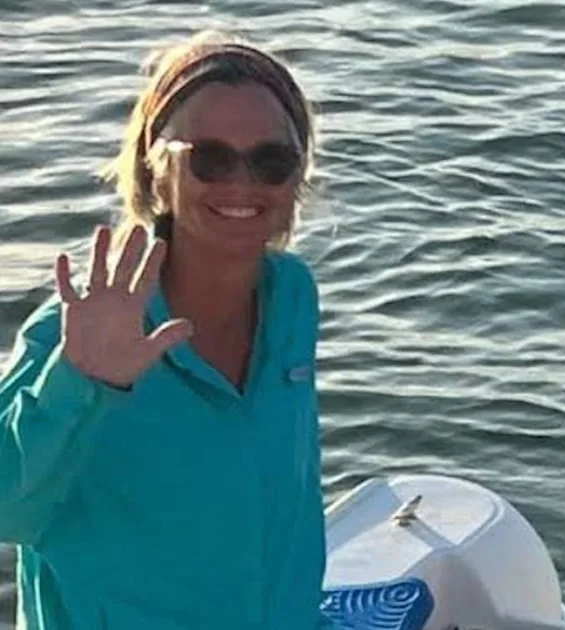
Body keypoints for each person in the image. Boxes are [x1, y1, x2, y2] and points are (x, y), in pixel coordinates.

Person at [0, 31, 328, 629]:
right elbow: (7, 512)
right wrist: (81, 382)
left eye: (271, 160)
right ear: (155, 172)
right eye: (209, 158)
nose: (241, 182)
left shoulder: (291, 298)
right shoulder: (76, 331)